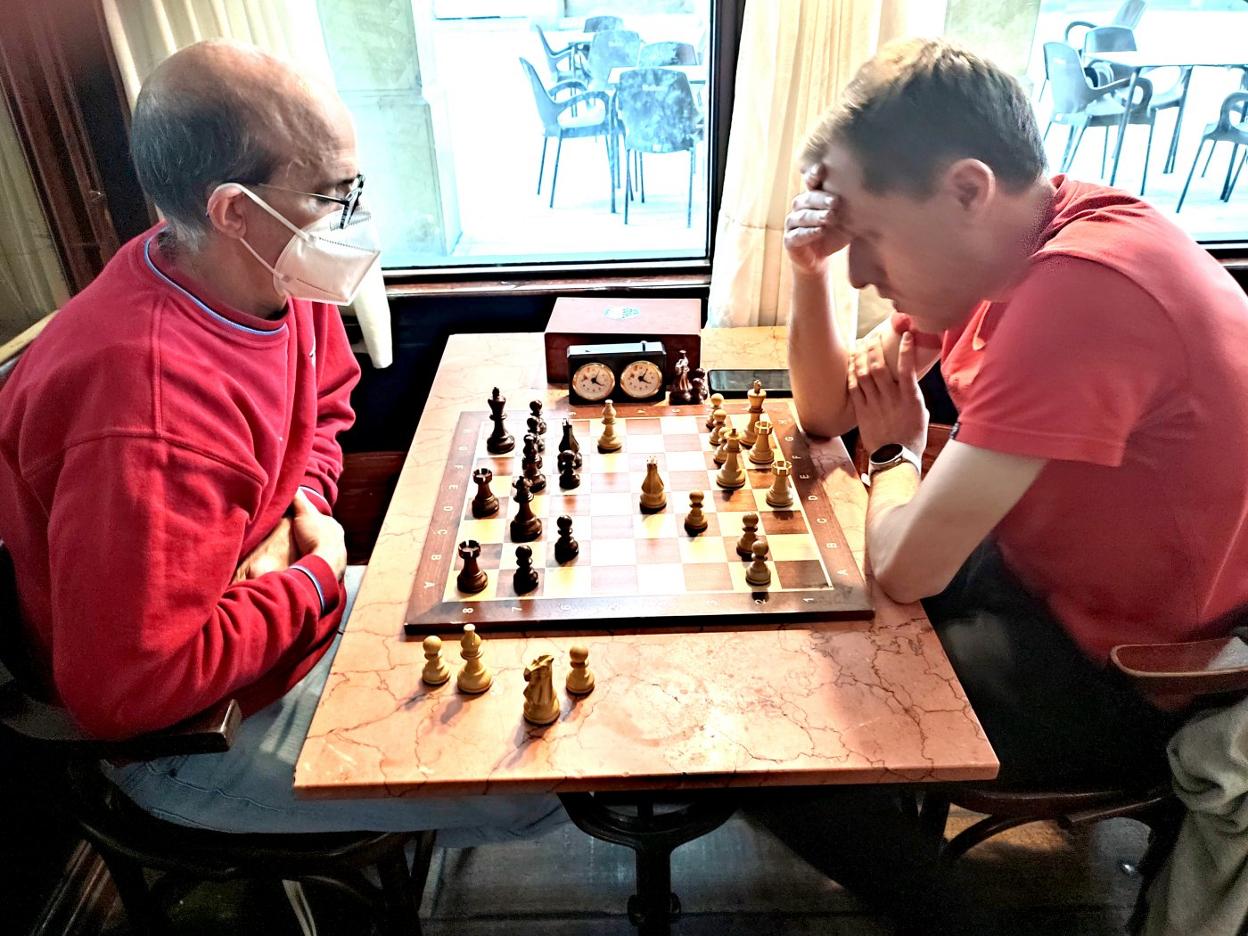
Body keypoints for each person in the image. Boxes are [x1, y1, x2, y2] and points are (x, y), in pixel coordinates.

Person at [0, 40, 564, 846]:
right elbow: (127, 692)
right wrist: (315, 573)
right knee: (537, 788)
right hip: (192, 733)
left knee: (530, 648)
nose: (356, 218)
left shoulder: (267, 275)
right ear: (233, 211)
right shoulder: (142, 409)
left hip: (271, 621)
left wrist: (298, 510)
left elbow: (326, 404)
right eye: (333, 195)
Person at [747, 37, 1248, 930]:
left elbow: (909, 564)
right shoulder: (1012, 242)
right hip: (1042, 582)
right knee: (804, 630)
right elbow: (827, 414)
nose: (862, 270)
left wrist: (897, 455)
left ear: (967, 190)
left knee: (782, 747)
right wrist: (809, 268)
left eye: (869, 237)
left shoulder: (1083, 290)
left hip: (1147, 673)